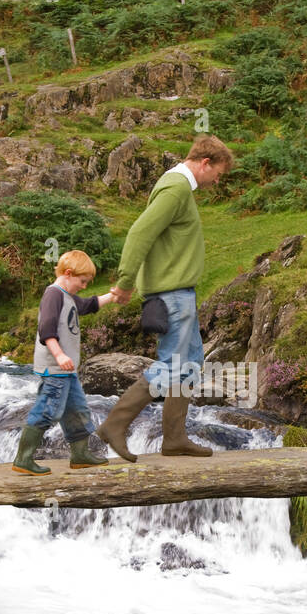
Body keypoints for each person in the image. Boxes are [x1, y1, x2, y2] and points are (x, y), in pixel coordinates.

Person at [97, 135, 235, 463]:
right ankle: (114, 425)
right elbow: (140, 232)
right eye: (218, 172)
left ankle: (174, 438)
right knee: (173, 365)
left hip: (179, 292)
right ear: (205, 163)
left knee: (189, 365)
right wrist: (126, 282)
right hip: (172, 294)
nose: (218, 179)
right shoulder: (175, 189)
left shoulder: (178, 187)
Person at [11, 249, 115, 475]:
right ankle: (23, 458)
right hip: (55, 368)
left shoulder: (68, 296)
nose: (85, 286)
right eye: (83, 281)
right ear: (68, 273)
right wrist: (59, 354)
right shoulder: (54, 294)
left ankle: (80, 455)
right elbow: (46, 329)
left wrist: (112, 296)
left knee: (77, 410)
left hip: (67, 371)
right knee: (47, 410)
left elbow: (88, 305)